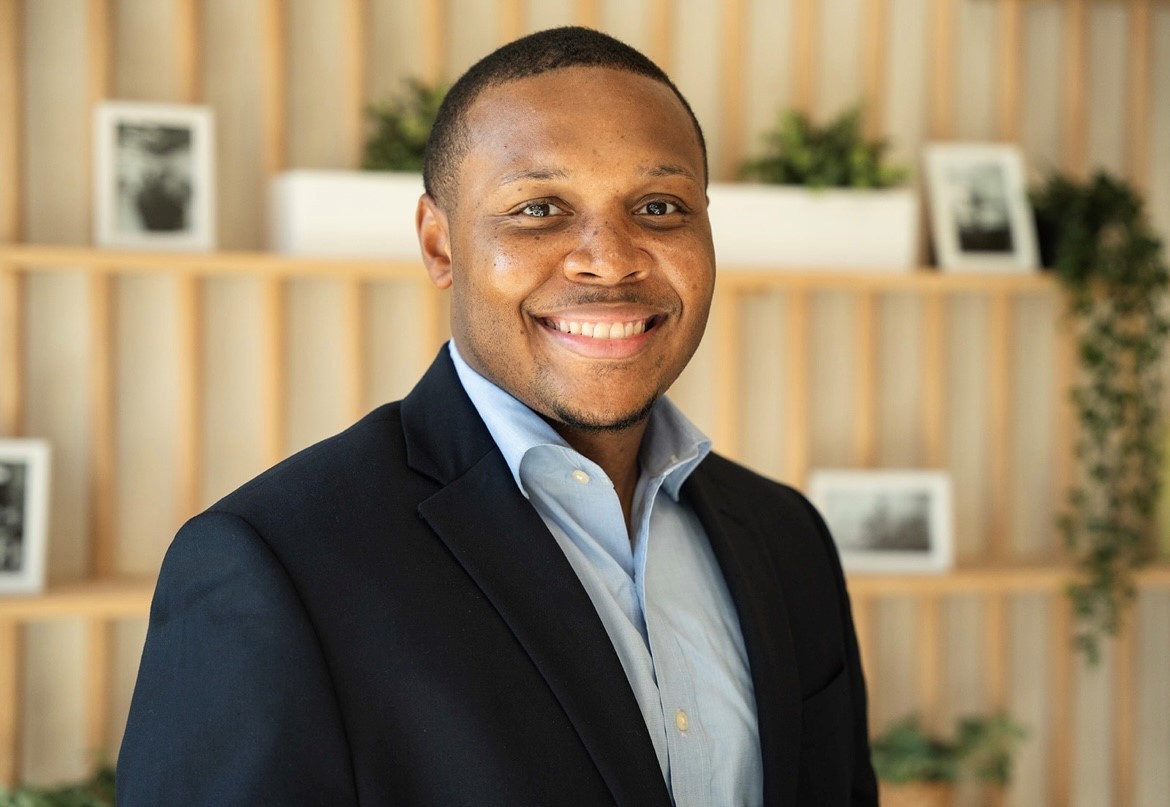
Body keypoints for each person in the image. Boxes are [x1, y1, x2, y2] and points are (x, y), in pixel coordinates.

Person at [117, 26, 877, 807]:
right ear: (439, 244)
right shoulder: (274, 565)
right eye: (539, 208)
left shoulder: (788, 537)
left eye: (659, 205)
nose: (610, 258)